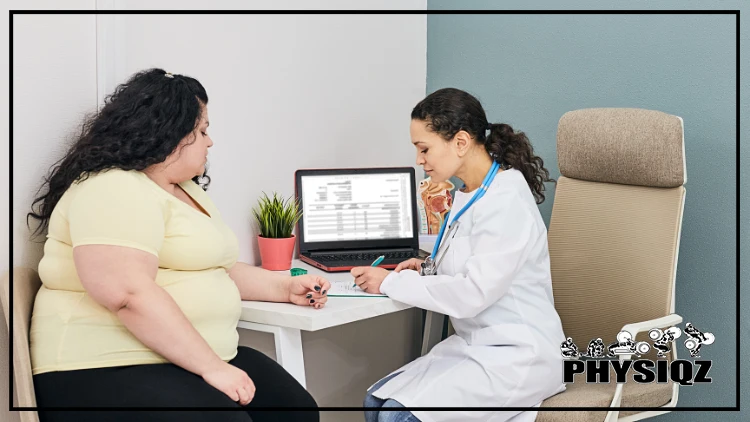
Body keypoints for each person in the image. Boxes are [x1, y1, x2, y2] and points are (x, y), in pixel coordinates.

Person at [27, 68, 327, 422]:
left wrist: (285, 287)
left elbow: (218, 268)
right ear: (167, 133)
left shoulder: (184, 190)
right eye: (202, 130)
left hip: (181, 358)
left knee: (295, 410)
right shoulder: (112, 188)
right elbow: (128, 293)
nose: (210, 141)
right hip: (102, 365)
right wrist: (211, 367)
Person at [351, 88, 567, 422]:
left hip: (520, 355)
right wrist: (426, 268)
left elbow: (472, 293)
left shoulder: (506, 200)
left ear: (461, 143)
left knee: (398, 417)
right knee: (374, 403)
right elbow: (472, 259)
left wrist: (390, 282)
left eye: (424, 149)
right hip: (477, 347)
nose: (419, 160)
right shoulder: (471, 191)